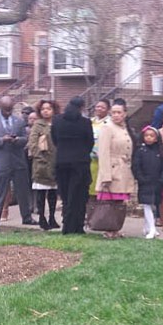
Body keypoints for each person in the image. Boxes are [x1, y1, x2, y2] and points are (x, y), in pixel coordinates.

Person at [0, 96, 37, 232]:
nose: (8, 112)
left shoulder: (18, 120)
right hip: (0, 162)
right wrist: (2, 140)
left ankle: (27, 217)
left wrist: (17, 140)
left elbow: (25, 139)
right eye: (5, 110)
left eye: (10, 110)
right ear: (0, 108)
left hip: (18, 161)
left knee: (23, 191)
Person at [52, 97, 94, 234]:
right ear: (82, 107)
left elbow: (54, 139)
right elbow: (90, 142)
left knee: (65, 195)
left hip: (62, 161)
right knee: (79, 195)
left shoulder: (57, 120)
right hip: (80, 162)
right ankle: (77, 226)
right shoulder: (85, 122)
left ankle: (67, 225)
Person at [95, 101, 135, 239]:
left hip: (123, 169)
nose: (116, 115)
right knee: (110, 202)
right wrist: (106, 175)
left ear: (125, 114)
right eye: (114, 112)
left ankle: (116, 228)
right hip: (112, 169)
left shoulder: (124, 128)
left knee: (119, 202)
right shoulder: (107, 128)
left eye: (119, 112)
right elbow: (103, 152)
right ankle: (108, 228)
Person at [28, 100, 60, 230]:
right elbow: (33, 143)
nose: (46, 111)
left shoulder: (58, 123)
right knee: (41, 192)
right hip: (42, 163)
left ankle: (52, 217)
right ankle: (42, 217)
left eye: (48, 108)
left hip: (56, 162)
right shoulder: (38, 125)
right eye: (43, 109)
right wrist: (39, 157)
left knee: (53, 192)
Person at [132, 126, 163, 239]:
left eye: (152, 136)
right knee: (147, 204)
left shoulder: (160, 151)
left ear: (156, 138)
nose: (149, 138)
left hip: (157, 182)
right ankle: (152, 228)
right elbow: (136, 166)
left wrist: (162, 179)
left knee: (154, 205)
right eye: (146, 135)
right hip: (145, 182)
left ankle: (147, 226)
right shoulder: (140, 151)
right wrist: (141, 178)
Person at [89, 99, 111, 197]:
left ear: (108, 110)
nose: (99, 109)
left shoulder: (110, 123)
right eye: (98, 106)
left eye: (102, 107)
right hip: (90, 157)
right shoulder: (90, 121)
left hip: (103, 158)